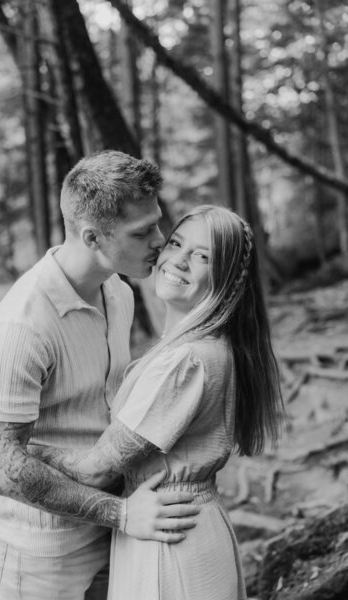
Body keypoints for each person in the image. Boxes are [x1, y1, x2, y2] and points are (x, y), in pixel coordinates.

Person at [29, 204, 284, 600]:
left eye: (202, 256)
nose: (178, 260)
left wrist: (22, 451)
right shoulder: (196, 348)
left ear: (228, 278)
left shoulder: (186, 361)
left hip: (170, 537)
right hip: (173, 524)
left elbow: (97, 471)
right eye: (177, 243)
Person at [0, 150, 201, 600]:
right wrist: (120, 514)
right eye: (142, 233)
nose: (160, 240)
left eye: (156, 223)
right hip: (43, 555)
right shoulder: (22, 326)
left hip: (114, 532)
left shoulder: (119, 293)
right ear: (92, 237)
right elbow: (0, 471)